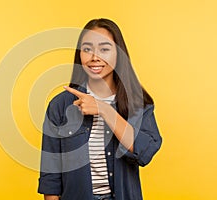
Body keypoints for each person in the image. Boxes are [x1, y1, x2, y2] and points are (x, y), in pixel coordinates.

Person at [38, 18, 162, 200]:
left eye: (104, 49)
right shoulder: (60, 105)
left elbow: (145, 152)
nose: (95, 57)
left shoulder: (137, 103)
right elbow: (51, 175)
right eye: (87, 49)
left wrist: (105, 110)